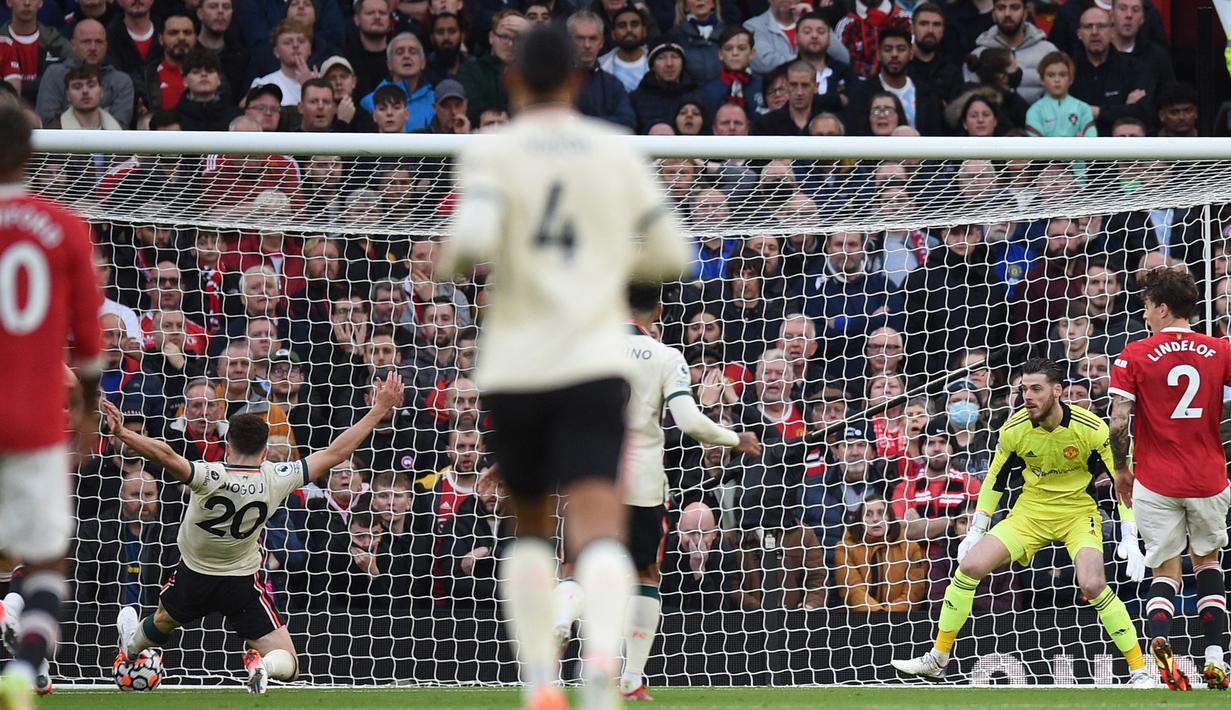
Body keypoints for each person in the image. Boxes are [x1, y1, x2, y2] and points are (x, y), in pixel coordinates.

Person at [441, 25, 689, 710]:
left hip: (517, 364)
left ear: (513, 82)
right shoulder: (612, 153)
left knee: (528, 524)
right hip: (590, 360)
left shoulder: (495, 154)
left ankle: (540, 682)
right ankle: (602, 676)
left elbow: (464, 247)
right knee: (597, 527)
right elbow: (671, 255)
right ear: (580, 82)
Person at [102, 371, 405, 695]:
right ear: (264, 452)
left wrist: (122, 432)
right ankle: (263, 666)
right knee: (289, 661)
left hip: (195, 575)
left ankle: (131, 651)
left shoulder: (208, 474)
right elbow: (336, 453)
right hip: (241, 581)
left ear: (227, 446)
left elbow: (163, 454)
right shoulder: (276, 476)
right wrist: (379, 409)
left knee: (163, 620)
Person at [551, 283, 759, 700]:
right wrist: (737, 439)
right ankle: (631, 678)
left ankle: (559, 619)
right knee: (645, 576)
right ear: (660, 310)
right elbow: (689, 422)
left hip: (591, 476)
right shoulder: (667, 357)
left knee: (576, 568)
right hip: (644, 483)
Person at [891, 358, 1151, 688]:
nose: (1028, 396)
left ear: (1058, 391)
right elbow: (994, 482)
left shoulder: (1091, 428)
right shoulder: (1014, 428)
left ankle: (1139, 669)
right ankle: (938, 658)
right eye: (1024, 389)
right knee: (969, 567)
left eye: (1036, 389)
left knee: (1092, 584)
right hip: (1029, 515)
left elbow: (1120, 480)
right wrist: (976, 530)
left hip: (1077, 514)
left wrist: (1129, 533)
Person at [0, 105, 104, 710]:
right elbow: (89, 344)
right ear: (28, 156)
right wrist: (88, 410)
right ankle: (25, 669)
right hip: (36, 423)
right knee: (46, 564)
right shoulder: (64, 227)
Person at [1108, 268, 1231, 690]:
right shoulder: (1221, 350)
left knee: (1165, 569)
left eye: (1146, 306)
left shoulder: (1133, 355)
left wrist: (1122, 469)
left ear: (1162, 308)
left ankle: (1160, 639)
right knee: (1208, 564)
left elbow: (1118, 422)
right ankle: (1215, 657)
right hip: (1208, 478)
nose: (1144, 314)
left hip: (1155, 480)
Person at [1026, 51, 1096, 137]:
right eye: (1051, 75)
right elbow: (1036, 146)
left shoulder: (1083, 109)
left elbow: (1091, 142)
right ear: (1042, 79)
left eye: (1062, 75)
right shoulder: (1035, 111)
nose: (1057, 80)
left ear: (1071, 79)